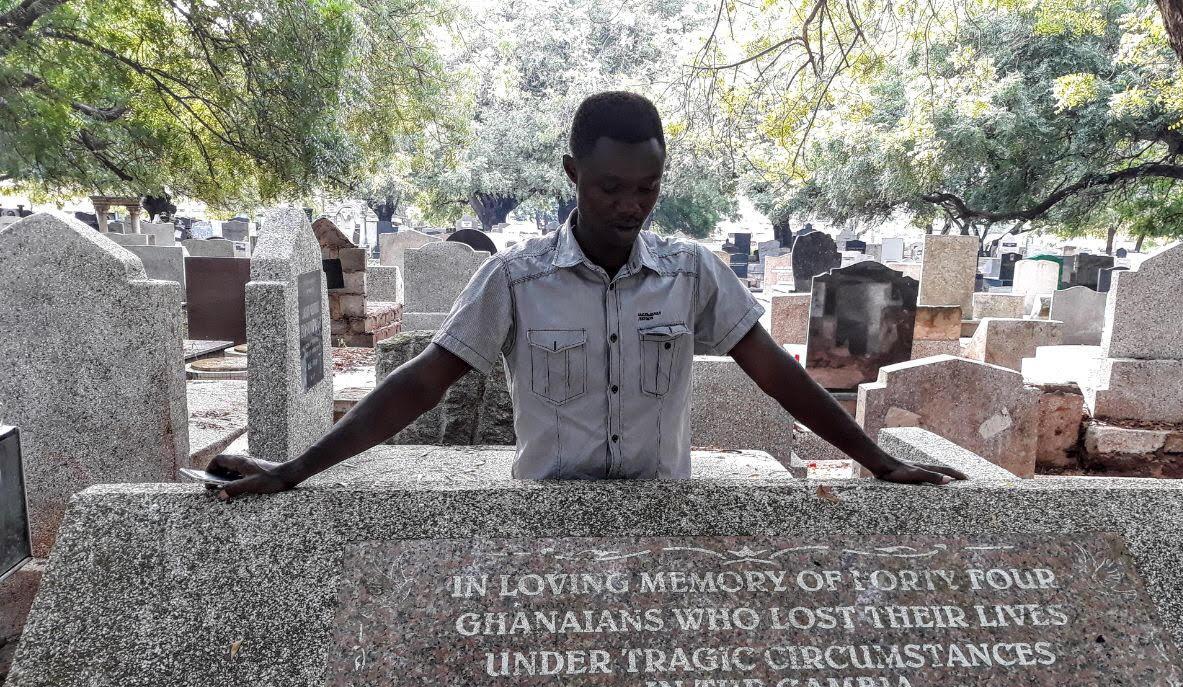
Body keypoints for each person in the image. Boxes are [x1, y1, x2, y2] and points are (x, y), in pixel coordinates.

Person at [211, 91, 962, 498]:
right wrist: (293, 471)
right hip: (545, 522)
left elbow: (777, 374)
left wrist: (878, 461)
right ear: (572, 174)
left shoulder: (693, 272)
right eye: (610, 187)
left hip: (661, 518)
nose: (631, 206)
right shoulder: (515, 278)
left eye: (648, 188)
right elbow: (421, 383)